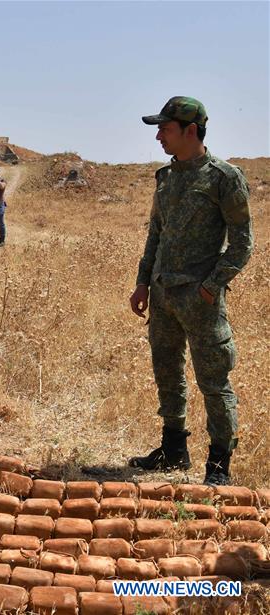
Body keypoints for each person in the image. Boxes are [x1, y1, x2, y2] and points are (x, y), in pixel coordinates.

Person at [129, 96, 253, 485]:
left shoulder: (223, 177)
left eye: (165, 129)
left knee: (214, 382)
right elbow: (156, 234)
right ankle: (173, 449)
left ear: (191, 131)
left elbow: (242, 242)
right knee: (167, 372)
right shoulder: (165, 178)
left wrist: (212, 286)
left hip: (200, 301)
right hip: (164, 295)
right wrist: (143, 282)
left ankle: (219, 466)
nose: (159, 137)